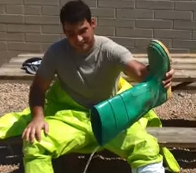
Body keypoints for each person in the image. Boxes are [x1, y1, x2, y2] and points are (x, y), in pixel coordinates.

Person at [0, 1, 180, 173]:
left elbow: (139, 72)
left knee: (146, 147)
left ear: (93, 23)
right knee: (35, 143)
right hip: (71, 116)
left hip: (111, 116)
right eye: (70, 33)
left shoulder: (109, 49)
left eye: (83, 30)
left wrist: (159, 76)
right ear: (64, 30)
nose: (78, 38)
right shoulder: (56, 52)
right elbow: (38, 88)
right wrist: (37, 117)